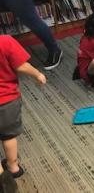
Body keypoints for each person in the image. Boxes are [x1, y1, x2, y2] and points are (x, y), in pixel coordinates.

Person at [0, 35, 46, 189]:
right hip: (8, 100)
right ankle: (13, 168)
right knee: (9, 135)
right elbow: (20, 65)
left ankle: (2, 177)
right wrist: (37, 74)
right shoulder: (5, 41)